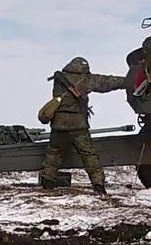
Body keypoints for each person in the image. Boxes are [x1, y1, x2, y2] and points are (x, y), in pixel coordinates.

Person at [39, 56, 127, 194]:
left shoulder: (59, 78)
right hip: (78, 125)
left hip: (58, 125)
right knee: (89, 155)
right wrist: (127, 82)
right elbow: (106, 82)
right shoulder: (86, 79)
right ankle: (98, 186)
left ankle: (48, 184)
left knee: (53, 154)